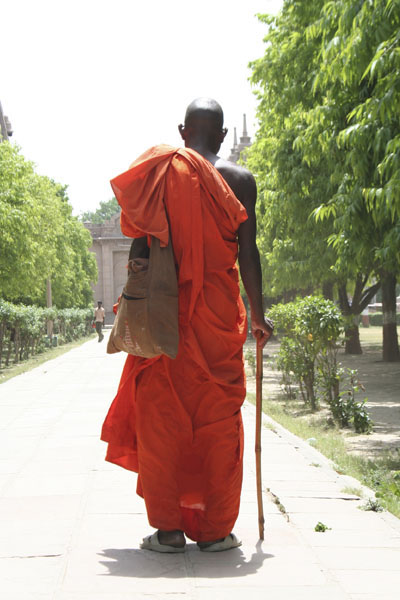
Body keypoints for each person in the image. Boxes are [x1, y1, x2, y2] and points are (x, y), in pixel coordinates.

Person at [101, 98, 273, 553]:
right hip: (217, 316)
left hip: (165, 316)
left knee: (161, 419)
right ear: (220, 136)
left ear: (182, 132)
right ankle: (217, 531)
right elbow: (248, 253)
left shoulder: (163, 172)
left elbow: (140, 249)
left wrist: (131, 303)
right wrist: (258, 314)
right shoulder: (240, 179)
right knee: (218, 419)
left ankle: (169, 530)